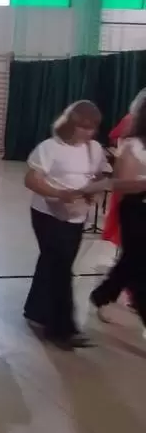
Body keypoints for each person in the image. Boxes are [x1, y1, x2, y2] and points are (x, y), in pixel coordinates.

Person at [23, 100, 105, 350]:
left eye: (92, 127)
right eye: (83, 126)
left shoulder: (94, 149)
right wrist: (60, 194)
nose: (88, 132)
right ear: (69, 124)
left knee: (53, 262)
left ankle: (36, 310)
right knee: (60, 266)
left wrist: (91, 191)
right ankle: (62, 328)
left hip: (76, 215)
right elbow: (32, 180)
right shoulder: (50, 147)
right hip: (47, 213)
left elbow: (98, 175)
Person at [91, 96, 146, 329]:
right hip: (136, 209)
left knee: (131, 262)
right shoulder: (133, 146)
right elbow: (120, 183)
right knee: (137, 263)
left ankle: (103, 295)